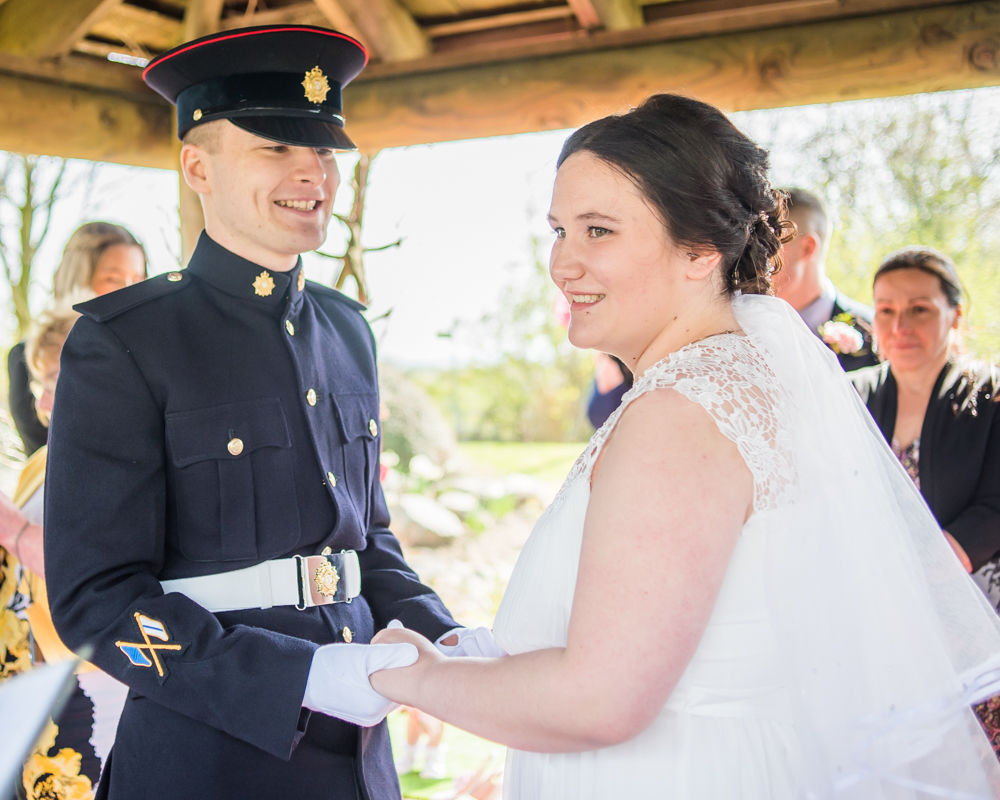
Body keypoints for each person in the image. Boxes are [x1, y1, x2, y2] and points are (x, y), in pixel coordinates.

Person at [370, 94, 1000, 798]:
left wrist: (421, 680)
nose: (562, 264)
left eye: (599, 231)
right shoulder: (737, 379)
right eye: (558, 231)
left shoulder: (678, 413)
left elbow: (600, 699)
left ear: (701, 249)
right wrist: (479, 657)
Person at [42, 26, 484, 800]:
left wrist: (439, 634)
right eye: (276, 148)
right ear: (196, 165)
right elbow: (97, 605)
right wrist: (301, 676)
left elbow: (365, 538)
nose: (312, 171)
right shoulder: (122, 343)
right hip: (211, 759)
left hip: (360, 762)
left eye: (323, 150)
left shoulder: (348, 330)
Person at [849, 246, 1000, 754]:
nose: (900, 324)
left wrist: (928, 573)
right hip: (881, 611)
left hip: (978, 610)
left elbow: (995, 507)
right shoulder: (851, 397)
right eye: (886, 310)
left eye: (920, 309)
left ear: (956, 315)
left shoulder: (991, 396)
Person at [0, 307, 130, 800]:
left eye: (57, 377)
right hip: (32, 687)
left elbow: (97, 575)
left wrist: (11, 529)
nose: (43, 400)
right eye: (38, 382)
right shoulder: (39, 465)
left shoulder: (127, 466)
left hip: (94, 691)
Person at [6, 221, 147, 456]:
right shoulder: (28, 358)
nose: (129, 291)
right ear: (78, 277)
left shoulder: (149, 354)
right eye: (113, 279)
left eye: (138, 279)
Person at [773, 188, 878, 371]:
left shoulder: (874, 333)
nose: (754, 257)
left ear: (807, 248)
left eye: (769, 245)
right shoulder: (738, 327)